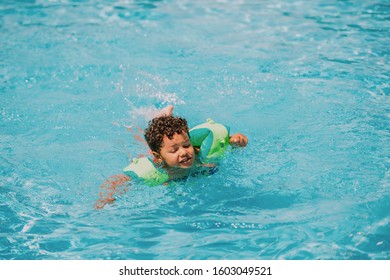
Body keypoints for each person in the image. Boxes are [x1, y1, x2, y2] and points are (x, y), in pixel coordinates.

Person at [95, 105, 248, 209]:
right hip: (154, 155)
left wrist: (237, 141)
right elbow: (117, 180)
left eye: (186, 145)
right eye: (174, 150)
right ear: (159, 157)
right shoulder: (159, 169)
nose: (184, 152)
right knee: (143, 143)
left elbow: (233, 140)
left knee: (169, 138)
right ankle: (155, 119)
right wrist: (106, 198)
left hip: (165, 150)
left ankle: (164, 119)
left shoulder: (200, 155)